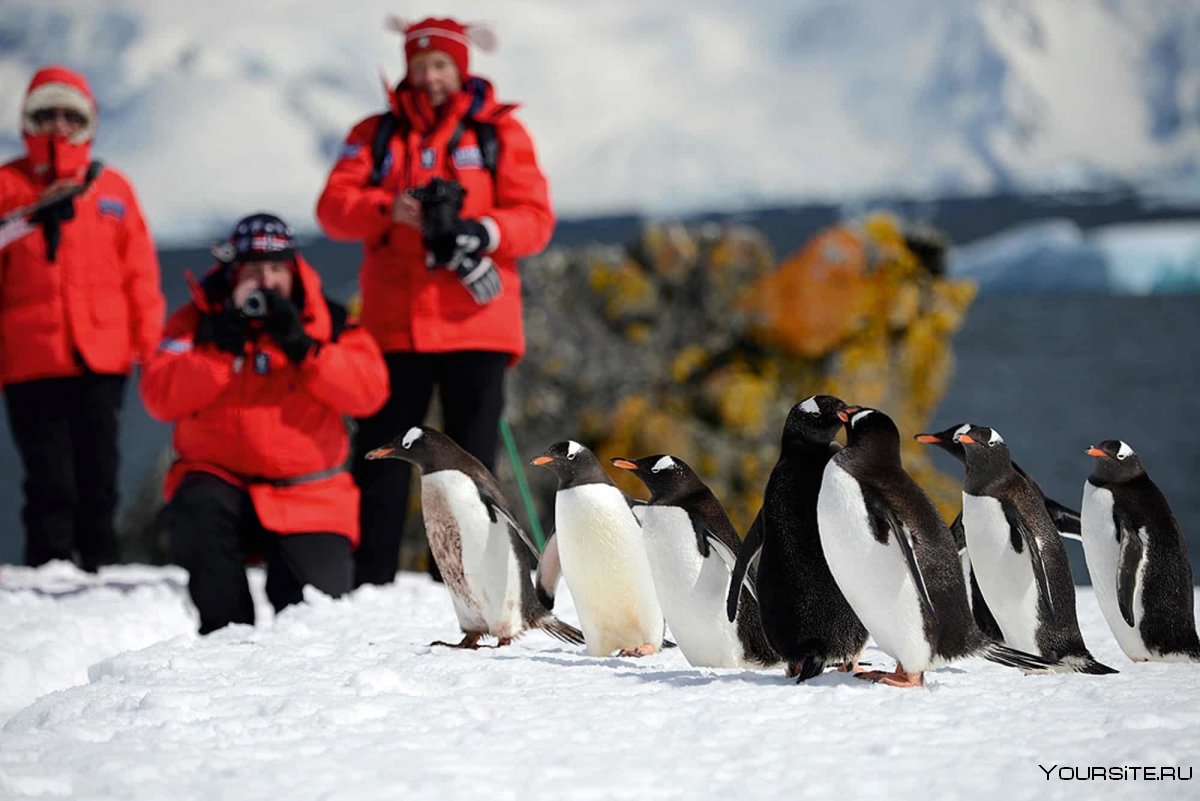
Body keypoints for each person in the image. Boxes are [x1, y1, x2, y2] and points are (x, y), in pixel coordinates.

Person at [316, 17, 555, 586]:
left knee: (469, 463)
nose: (430, 77)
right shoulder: (374, 135)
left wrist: (481, 232)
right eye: (420, 65)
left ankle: (462, 581)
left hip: (477, 324)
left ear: (462, 67)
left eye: (441, 65)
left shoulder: (499, 134)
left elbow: (537, 219)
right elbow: (331, 209)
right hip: (393, 326)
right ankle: (367, 582)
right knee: (381, 458)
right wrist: (387, 207)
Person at [139, 213, 388, 634]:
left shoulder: (330, 321)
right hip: (220, 487)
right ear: (233, 274)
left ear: (294, 272)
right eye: (253, 271)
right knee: (197, 509)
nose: (266, 283)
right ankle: (225, 640)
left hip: (310, 495)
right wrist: (219, 351)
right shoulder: (197, 323)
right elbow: (159, 396)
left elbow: (370, 393)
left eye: (276, 270)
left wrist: (305, 350)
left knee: (314, 619)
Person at [0, 65, 164, 571]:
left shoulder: (112, 187)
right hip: (29, 359)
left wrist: (150, 350)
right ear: (29, 121)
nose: (58, 126)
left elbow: (140, 274)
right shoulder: (7, 186)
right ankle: (46, 577)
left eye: (68, 115)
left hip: (102, 357)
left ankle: (100, 570)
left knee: (100, 473)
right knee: (48, 480)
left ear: (86, 121)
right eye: (45, 115)